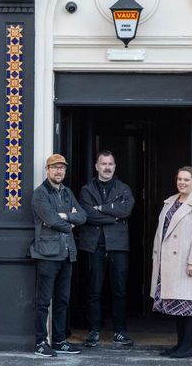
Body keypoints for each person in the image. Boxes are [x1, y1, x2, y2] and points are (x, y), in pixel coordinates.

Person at [149, 166, 192, 359]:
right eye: (179, 179)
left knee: (189, 304)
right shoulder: (170, 201)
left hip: (187, 263)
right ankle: (179, 345)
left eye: (186, 180)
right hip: (168, 262)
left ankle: (186, 347)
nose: (182, 183)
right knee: (176, 305)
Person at [30, 153, 87, 358]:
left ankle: (59, 341)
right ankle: (40, 342)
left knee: (62, 300)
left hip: (66, 254)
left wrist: (67, 216)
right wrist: (68, 223)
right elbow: (51, 220)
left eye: (62, 168)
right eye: (55, 168)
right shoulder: (40, 194)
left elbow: (82, 216)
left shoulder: (67, 192)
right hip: (47, 254)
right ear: (47, 170)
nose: (59, 171)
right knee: (44, 302)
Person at [78, 150, 135, 347]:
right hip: (94, 246)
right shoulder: (86, 190)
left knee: (119, 290)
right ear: (97, 166)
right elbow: (86, 215)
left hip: (118, 246)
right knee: (94, 290)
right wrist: (114, 216)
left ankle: (120, 331)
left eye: (110, 164)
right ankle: (94, 331)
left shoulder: (124, 188)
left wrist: (100, 208)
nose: (107, 167)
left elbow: (126, 210)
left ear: (115, 166)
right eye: (103, 164)